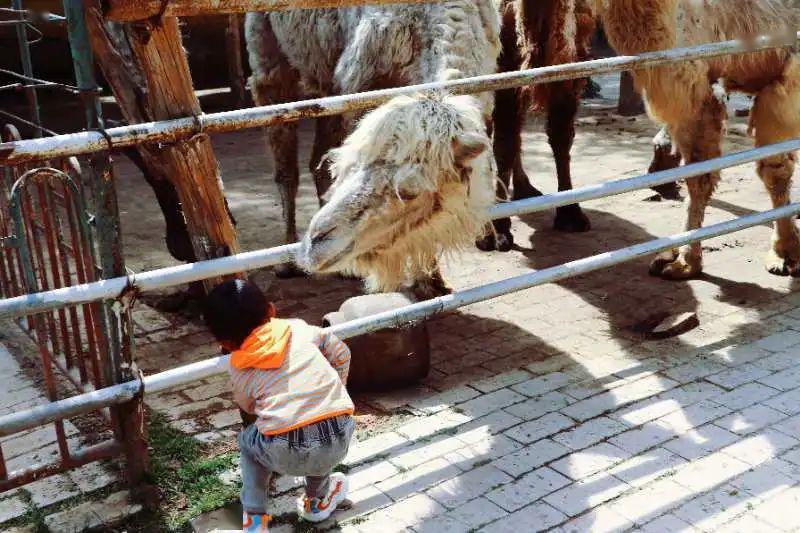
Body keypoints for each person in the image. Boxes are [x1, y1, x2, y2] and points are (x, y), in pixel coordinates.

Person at [203, 279, 354, 532]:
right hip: (341, 432)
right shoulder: (299, 328)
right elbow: (342, 353)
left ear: (225, 344)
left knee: (249, 444)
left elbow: (249, 406)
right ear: (271, 311)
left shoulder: (239, 367)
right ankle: (316, 502)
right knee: (317, 430)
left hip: (283, 448)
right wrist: (337, 387)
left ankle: (254, 519)